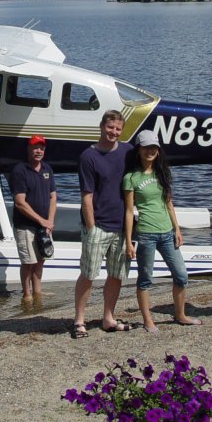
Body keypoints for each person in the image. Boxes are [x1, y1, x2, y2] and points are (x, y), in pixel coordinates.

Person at [123, 130, 201, 332]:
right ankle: (148, 320)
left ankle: (180, 314)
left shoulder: (162, 173)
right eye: (146, 147)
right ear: (139, 150)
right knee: (145, 278)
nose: (150, 151)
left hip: (167, 233)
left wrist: (177, 228)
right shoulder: (131, 177)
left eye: (154, 147)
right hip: (146, 234)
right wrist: (128, 241)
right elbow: (129, 211)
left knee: (181, 275)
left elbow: (169, 203)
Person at [72, 109, 134, 337]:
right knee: (88, 273)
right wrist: (90, 228)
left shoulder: (128, 151)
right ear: (101, 127)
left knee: (117, 274)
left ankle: (108, 317)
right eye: (110, 127)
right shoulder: (88, 157)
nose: (114, 132)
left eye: (118, 129)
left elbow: (148, 164)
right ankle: (79, 320)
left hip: (121, 226)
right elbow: (86, 196)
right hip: (97, 224)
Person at [8, 135, 56, 301]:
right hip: (25, 225)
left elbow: (53, 197)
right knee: (28, 262)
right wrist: (42, 220)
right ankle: (26, 294)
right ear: (28, 149)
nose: (39, 151)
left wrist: (49, 221)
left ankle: (37, 291)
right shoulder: (20, 170)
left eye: (41, 148)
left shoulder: (47, 169)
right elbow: (20, 202)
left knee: (41, 260)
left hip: (43, 226)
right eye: (35, 147)